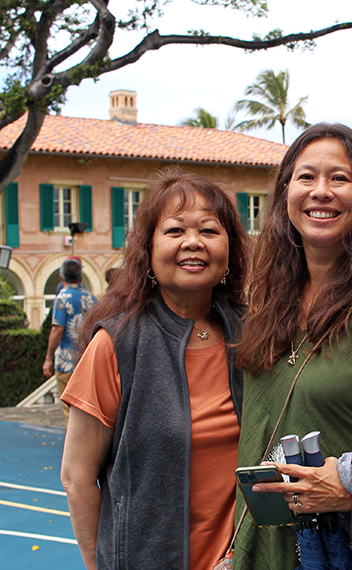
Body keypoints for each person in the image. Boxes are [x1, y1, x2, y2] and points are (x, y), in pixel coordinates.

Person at [232, 123, 352, 570]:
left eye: (339, 178)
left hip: (348, 554)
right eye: (306, 177)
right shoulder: (267, 302)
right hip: (262, 549)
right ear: (285, 194)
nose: (320, 191)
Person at [59, 170, 249, 570]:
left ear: (229, 251)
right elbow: (77, 477)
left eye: (210, 231)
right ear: (148, 250)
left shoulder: (252, 337)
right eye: (175, 230)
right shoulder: (116, 345)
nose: (193, 242)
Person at [43, 256, 97, 421]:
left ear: (61, 277)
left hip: (66, 363)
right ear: (81, 277)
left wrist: (48, 358)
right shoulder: (92, 298)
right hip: (87, 361)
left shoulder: (61, 298)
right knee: (87, 409)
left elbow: (57, 330)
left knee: (69, 411)